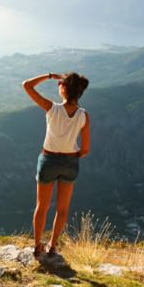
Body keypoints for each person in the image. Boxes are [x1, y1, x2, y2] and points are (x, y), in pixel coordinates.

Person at [22, 71, 90, 258]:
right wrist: (73, 154)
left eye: (60, 84)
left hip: (49, 160)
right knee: (62, 209)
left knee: (41, 206)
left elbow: (26, 85)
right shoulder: (84, 116)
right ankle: (53, 247)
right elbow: (85, 149)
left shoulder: (52, 108)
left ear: (64, 89)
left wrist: (50, 75)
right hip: (70, 162)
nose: (58, 85)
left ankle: (37, 246)